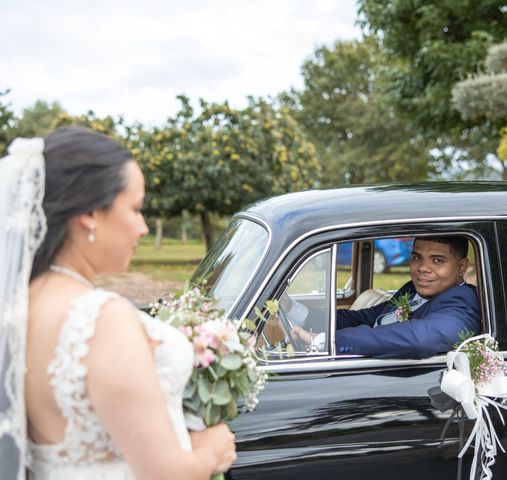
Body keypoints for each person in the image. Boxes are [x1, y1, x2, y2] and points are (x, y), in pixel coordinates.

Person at [0, 127, 236, 479]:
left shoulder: (19, 307)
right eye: (136, 209)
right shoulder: (101, 319)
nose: (143, 227)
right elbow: (165, 474)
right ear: (90, 215)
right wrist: (212, 451)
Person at [291, 236, 481, 359]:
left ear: (462, 267)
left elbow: (418, 339)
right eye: (417, 258)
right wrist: (298, 313)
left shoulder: (463, 304)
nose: (422, 268)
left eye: (437, 260)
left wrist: (325, 342)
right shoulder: (411, 289)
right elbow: (366, 318)